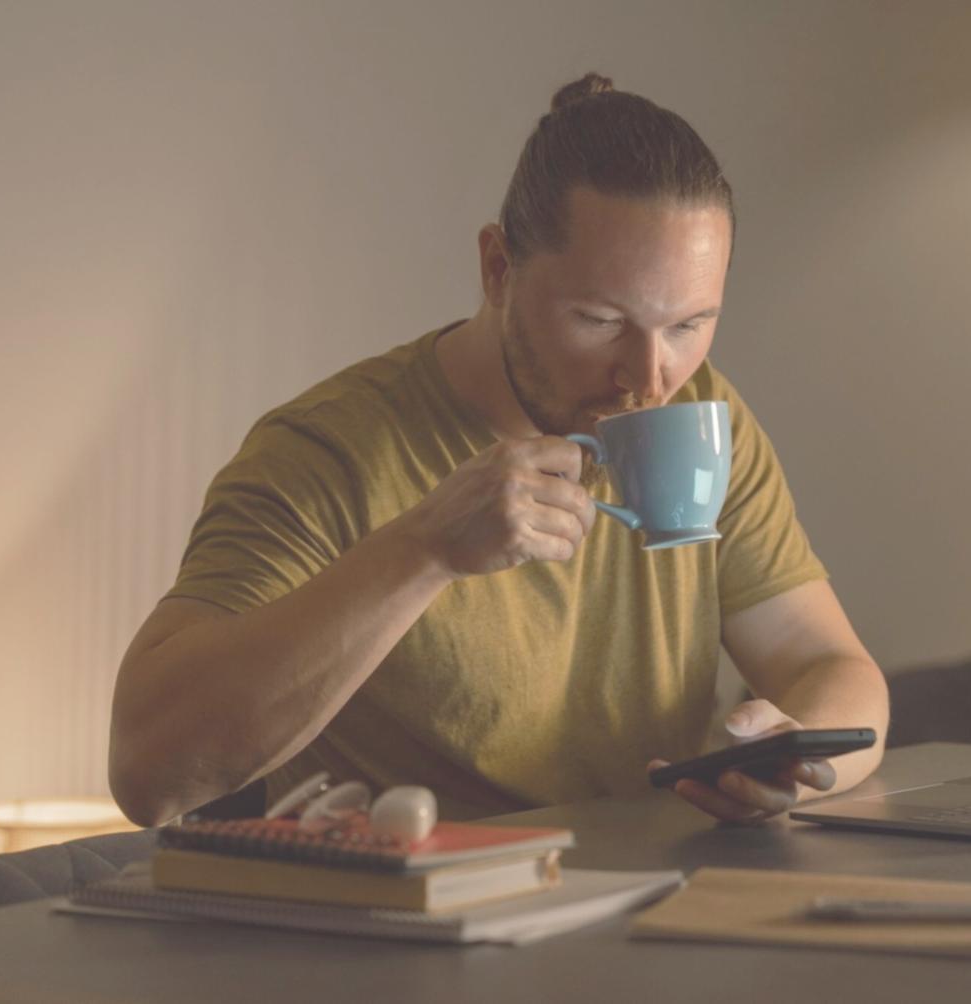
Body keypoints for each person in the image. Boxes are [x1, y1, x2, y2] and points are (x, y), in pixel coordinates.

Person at [108, 73, 889, 829]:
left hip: (657, 919)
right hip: (420, 934)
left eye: (687, 324)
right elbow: (149, 773)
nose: (648, 379)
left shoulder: (703, 415)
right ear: (497, 269)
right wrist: (424, 552)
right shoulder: (325, 451)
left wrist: (793, 762)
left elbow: (833, 669)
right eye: (600, 319)